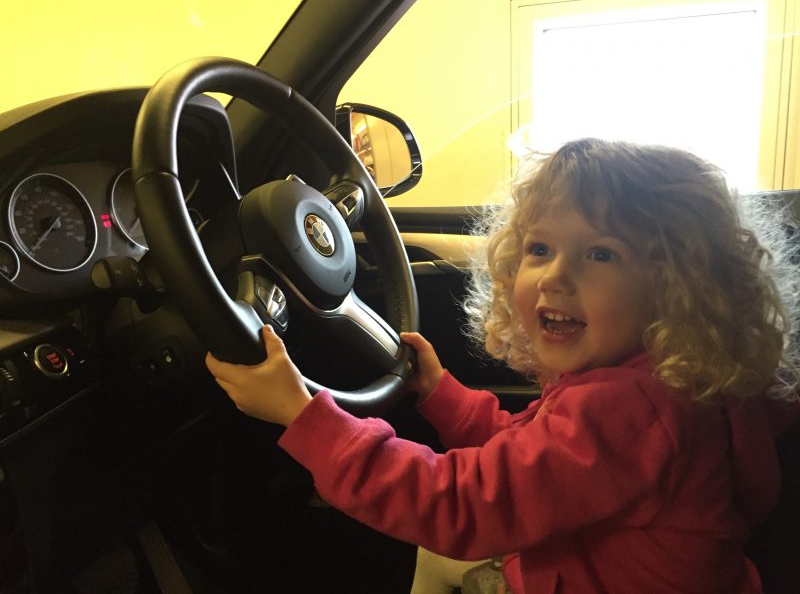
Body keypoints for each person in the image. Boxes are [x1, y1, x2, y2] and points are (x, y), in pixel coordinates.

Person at [206, 138, 800, 593]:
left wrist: (304, 417)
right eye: (540, 249)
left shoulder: (628, 410)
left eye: (600, 253)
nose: (555, 276)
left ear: (676, 286)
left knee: (432, 540)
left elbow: (460, 504)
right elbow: (529, 461)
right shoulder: (656, 380)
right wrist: (441, 392)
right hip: (600, 568)